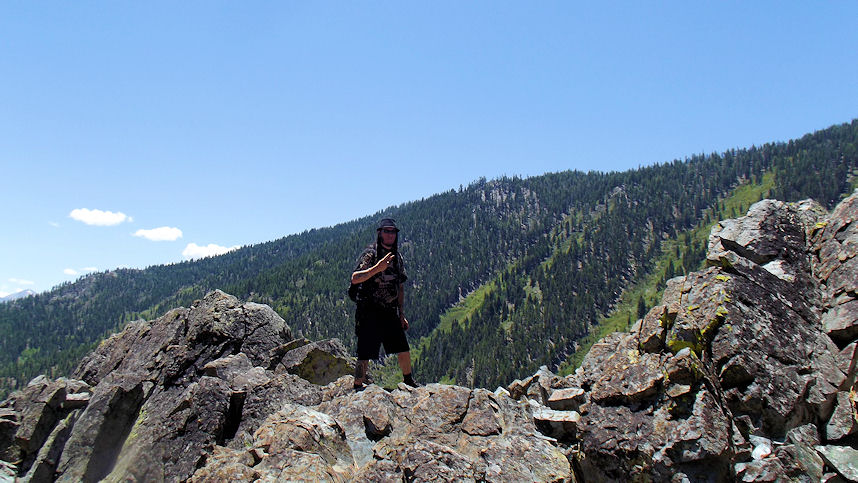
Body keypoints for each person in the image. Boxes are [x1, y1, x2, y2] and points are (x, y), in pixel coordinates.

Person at [350, 218, 418, 390]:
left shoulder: (397, 257)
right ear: (380, 233)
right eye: (386, 231)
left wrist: (401, 314)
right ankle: (357, 385)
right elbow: (355, 278)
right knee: (364, 352)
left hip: (389, 311)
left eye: (393, 231)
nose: (390, 235)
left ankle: (408, 381)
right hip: (368, 310)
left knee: (402, 346)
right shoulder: (370, 254)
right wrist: (377, 269)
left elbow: (400, 286)